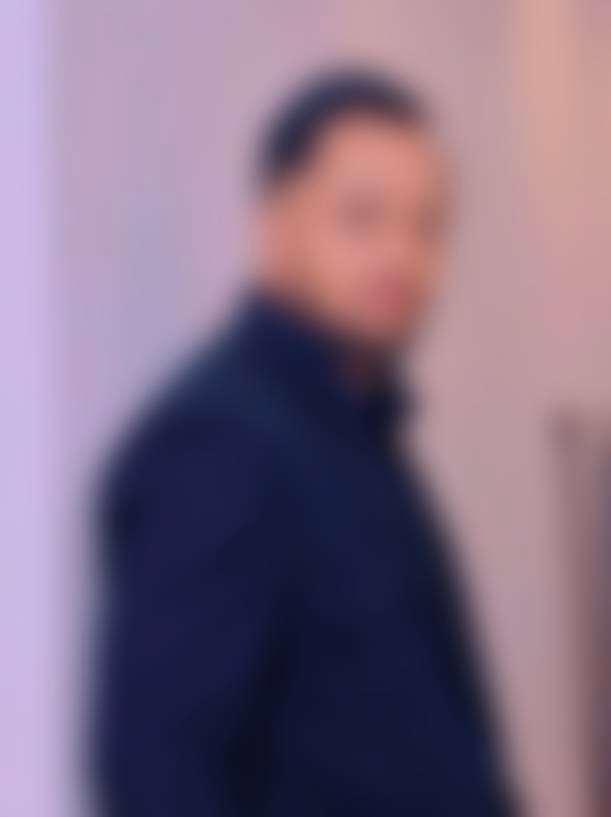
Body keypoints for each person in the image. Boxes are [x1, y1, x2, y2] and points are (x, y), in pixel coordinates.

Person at [96, 69, 517, 816]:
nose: (401, 255)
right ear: (272, 225)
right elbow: (161, 779)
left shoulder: (356, 433)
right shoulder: (218, 446)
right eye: (362, 217)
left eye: (426, 225)